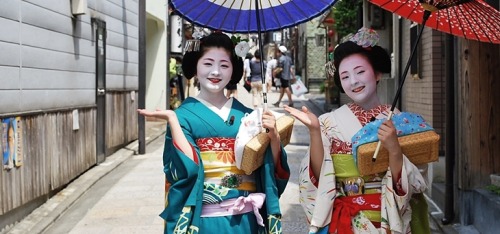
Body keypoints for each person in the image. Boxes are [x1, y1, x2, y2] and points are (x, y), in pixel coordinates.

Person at [137, 32, 290, 234]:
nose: (216, 72)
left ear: (233, 69)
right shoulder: (183, 116)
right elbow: (186, 171)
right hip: (204, 222)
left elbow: (269, 171)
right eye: (208, 63)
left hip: (246, 221)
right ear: (196, 66)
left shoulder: (250, 115)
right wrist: (173, 121)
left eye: (224, 65)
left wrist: (274, 138)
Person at [284, 28, 428, 233]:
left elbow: (416, 184)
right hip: (345, 221)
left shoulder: (399, 121)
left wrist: (395, 150)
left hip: (388, 217)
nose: (354, 81)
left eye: (360, 72)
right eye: (345, 76)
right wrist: (315, 132)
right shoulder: (327, 121)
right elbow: (316, 176)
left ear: (377, 73)